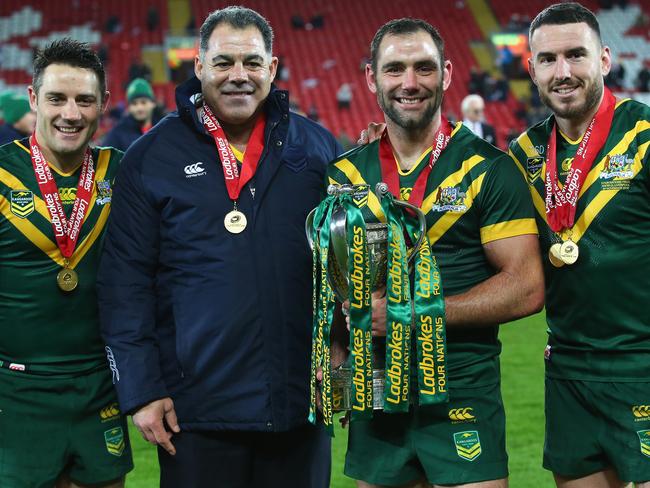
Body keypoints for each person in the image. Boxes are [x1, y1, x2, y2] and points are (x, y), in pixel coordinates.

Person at [97, 6, 341, 488]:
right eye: (224, 62)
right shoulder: (152, 156)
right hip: (196, 415)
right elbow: (124, 283)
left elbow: (338, 266)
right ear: (199, 66)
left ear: (272, 69)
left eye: (252, 63)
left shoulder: (316, 149)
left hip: (299, 404)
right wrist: (142, 390)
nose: (238, 76)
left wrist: (340, 351)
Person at [328, 18, 544, 488]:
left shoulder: (488, 168)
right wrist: (339, 362)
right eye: (395, 69)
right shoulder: (343, 176)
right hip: (377, 393)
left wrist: (410, 315)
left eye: (424, 68)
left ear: (447, 73)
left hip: (461, 389)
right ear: (371, 77)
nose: (410, 83)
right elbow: (332, 288)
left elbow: (526, 287)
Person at [508, 3, 650, 487]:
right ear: (531, 69)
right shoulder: (523, 154)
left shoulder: (645, 137)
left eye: (576, 55)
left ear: (605, 59)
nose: (562, 72)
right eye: (547, 59)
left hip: (642, 366)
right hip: (568, 371)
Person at [0, 38, 133, 488]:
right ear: (34, 98)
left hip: (99, 384)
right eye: (56, 98)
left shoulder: (123, 172)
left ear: (105, 105)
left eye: (85, 100)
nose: (71, 114)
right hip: (15, 388)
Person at [103, 78, 160, 152]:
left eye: (143, 102)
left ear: (153, 103)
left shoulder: (162, 130)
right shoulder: (117, 134)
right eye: (134, 103)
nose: (139, 108)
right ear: (129, 107)